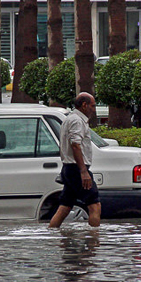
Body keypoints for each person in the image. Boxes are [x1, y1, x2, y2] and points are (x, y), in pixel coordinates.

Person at [49, 92, 101, 228]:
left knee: (65, 207)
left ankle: (52, 234)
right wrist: (83, 171)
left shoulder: (71, 118)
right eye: (93, 106)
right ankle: (94, 243)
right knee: (95, 206)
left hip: (70, 168)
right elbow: (75, 145)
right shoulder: (77, 120)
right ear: (84, 105)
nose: (94, 110)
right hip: (76, 169)